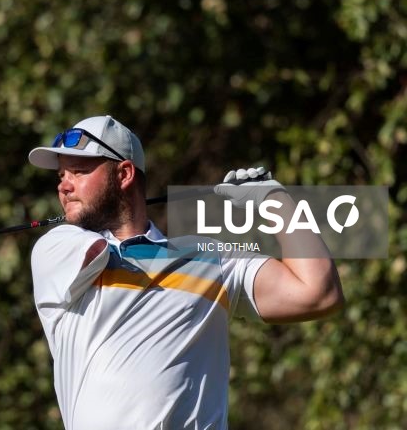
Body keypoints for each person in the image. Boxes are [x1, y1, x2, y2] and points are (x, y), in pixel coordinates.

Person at [27, 115, 345, 430]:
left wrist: (276, 203)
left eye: (79, 172)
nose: (64, 186)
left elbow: (318, 292)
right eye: (60, 175)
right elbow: (100, 251)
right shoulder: (56, 248)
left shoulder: (209, 259)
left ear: (124, 173)